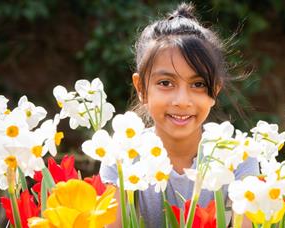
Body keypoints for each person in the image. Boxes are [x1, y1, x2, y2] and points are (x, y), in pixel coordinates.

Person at [100, 3, 259, 227]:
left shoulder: (238, 158)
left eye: (198, 84)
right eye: (166, 83)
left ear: (215, 90)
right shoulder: (121, 156)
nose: (182, 101)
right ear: (141, 88)